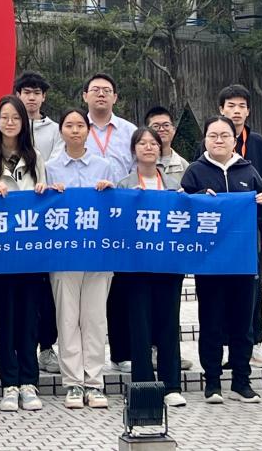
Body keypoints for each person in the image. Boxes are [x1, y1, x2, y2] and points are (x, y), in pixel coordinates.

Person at [180, 115, 262, 404]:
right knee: (210, 321)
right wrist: (197, 198)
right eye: (213, 135)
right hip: (209, 262)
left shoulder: (248, 170)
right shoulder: (195, 172)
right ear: (205, 140)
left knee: (243, 323)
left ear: (235, 140)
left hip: (243, 260)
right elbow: (182, 210)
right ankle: (212, 382)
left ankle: (241, 381)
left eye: (224, 135)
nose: (218, 140)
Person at [44, 107, 119, 410]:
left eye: (80, 125)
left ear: (88, 130)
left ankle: (95, 381)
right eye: (69, 125)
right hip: (64, 257)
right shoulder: (50, 167)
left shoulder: (104, 166)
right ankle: (73, 382)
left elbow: (116, 208)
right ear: (61, 131)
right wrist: (50, 193)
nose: (75, 130)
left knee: (95, 319)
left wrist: (110, 191)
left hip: (99, 255)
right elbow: (43, 208)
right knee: (67, 319)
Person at [0, 96, 49, 413]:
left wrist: (44, 192)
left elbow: (46, 196)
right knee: (5, 319)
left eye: (15, 117)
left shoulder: (35, 157)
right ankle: (9, 383)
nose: (10, 122)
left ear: (23, 122)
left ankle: (29, 382)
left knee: (29, 318)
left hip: (30, 253)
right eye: (4, 117)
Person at [117, 126, 186, 408]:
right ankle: (145, 385)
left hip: (168, 265)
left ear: (160, 149)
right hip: (136, 267)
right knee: (140, 326)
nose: (148, 147)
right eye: (142, 143)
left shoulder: (174, 185)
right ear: (133, 150)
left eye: (153, 143)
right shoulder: (123, 185)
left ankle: (172, 385)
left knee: (169, 323)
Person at [216, 84, 262, 370]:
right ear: (221, 109)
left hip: (250, 231)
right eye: (230, 106)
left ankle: (255, 343)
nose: (236, 111)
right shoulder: (212, 140)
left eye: (241, 106)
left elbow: (261, 182)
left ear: (249, 111)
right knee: (222, 291)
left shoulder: (258, 143)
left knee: (254, 288)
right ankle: (227, 346)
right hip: (219, 232)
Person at [82, 73, 136, 372]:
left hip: (120, 218)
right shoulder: (76, 128)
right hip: (86, 220)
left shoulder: (129, 131)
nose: (101, 94)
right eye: (95, 90)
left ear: (115, 97)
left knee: (121, 287)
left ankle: (121, 352)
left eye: (107, 90)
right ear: (85, 96)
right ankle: (82, 356)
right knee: (86, 287)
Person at [13, 71, 65, 376]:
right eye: (26, 92)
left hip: (47, 216)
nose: (31, 97)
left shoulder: (56, 131)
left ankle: (46, 347)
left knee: (46, 289)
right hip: (16, 221)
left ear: (43, 97)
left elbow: (53, 167)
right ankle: (18, 348)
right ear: (18, 95)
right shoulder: (6, 126)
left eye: (36, 93)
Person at [143, 106, 190, 177]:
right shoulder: (139, 164)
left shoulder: (184, 166)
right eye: (156, 126)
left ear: (174, 130)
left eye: (166, 125)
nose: (161, 129)